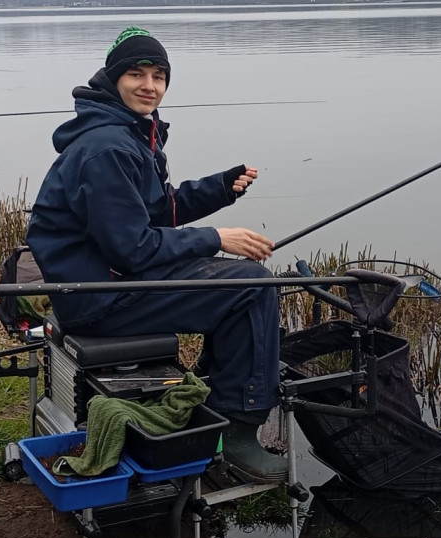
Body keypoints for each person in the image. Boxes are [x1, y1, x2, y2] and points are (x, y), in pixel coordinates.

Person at [27, 27, 286, 481]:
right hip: (101, 298)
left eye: (159, 76)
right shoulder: (106, 148)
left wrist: (218, 189)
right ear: (113, 79)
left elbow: (154, 211)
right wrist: (215, 238)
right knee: (254, 287)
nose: (150, 86)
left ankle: (211, 398)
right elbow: (134, 249)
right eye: (137, 74)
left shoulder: (125, 132)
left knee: (240, 280)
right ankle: (239, 432)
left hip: (106, 282)